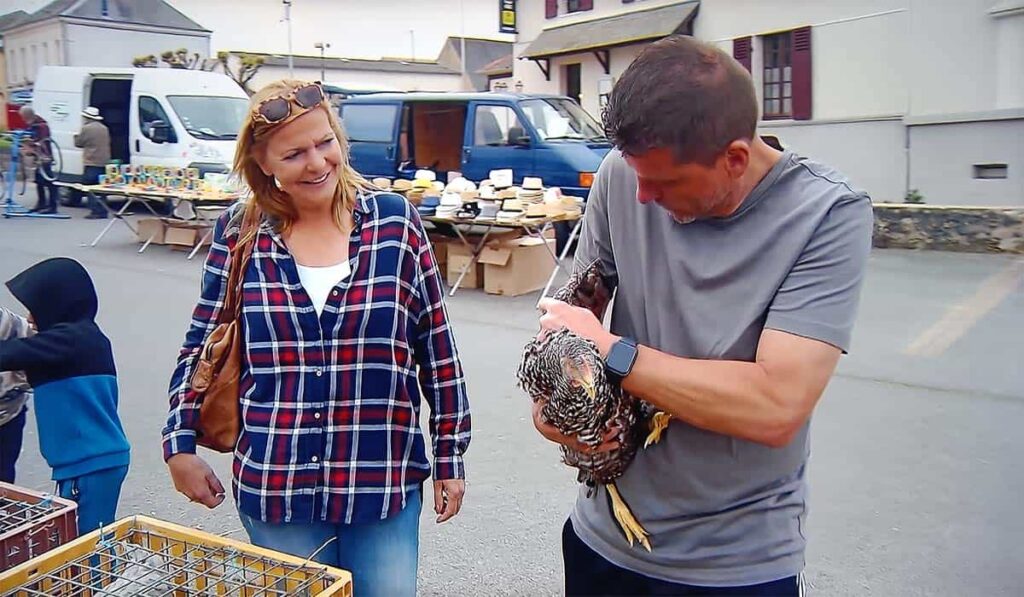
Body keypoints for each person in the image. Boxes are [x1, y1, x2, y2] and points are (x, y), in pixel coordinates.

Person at [533, 35, 873, 596]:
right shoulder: (624, 174)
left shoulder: (826, 214)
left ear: (735, 157)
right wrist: (552, 408)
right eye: (632, 172)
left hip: (732, 566)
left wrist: (613, 352)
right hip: (601, 541)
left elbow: (774, 406)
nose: (639, 196)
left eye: (663, 182)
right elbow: (571, 320)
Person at [163, 80, 471, 597]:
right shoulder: (239, 234)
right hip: (277, 485)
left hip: (382, 480)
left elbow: (436, 348)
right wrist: (179, 445)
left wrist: (450, 455)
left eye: (324, 142)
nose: (317, 163)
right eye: (294, 153)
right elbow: (201, 343)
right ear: (263, 164)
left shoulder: (395, 223)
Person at [0, 258, 131, 533]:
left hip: (90, 463)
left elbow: (12, 354)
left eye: (36, 310)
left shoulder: (70, 340)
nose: (31, 319)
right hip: (90, 461)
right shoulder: (82, 338)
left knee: (87, 543)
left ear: (57, 305)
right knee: (81, 535)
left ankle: (99, 577)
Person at [0, 307, 33, 483]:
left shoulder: (9, 322)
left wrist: (16, 386)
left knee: (4, 485)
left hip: (8, 418)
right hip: (10, 413)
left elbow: (40, 357)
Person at [71, 106, 111, 218]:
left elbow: (79, 143)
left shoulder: (87, 129)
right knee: (101, 188)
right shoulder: (104, 128)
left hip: (91, 161)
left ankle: (95, 211)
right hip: (103, 161)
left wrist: (75, 136)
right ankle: (103, 210)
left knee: (90, 188)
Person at [19, 106, 58, 214]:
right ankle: (41, 204)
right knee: (39, 181)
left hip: (44, 157)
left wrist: (31, 144)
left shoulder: (41, 126)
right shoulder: (33, 125)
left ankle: (52, 206)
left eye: (22, 116)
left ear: (26, 115)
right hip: (38, 157)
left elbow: (42, 141)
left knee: (49, 181)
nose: (22, 119)